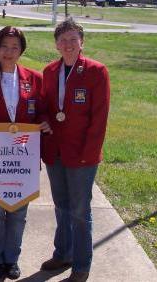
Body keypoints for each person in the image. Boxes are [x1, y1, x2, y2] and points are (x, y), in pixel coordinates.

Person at [0, 26, 51, 280]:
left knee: (18, 212)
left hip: (23, 160)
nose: (9, 52)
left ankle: (12, 258)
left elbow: (42, 111)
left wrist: (45, 122)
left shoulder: (34, 78)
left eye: (14, 47)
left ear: (21, 51)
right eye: (4, 46)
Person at [40, 19, 110, 282]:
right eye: (63, 40)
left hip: (82, 154)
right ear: (56, 44)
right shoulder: (49, 71)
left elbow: (99, 118)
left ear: (82, 42)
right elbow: (46, 106)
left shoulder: (96, 71)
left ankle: (81, 266)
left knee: (80, 211)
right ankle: (63, 253)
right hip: (55, 152)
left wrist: (88, 154)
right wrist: (45, 119)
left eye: (73, 39)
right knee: (61, 205)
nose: (68, 45)